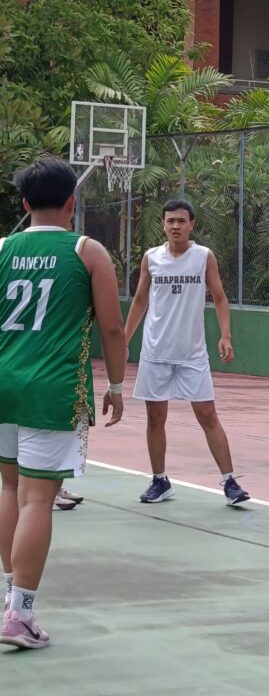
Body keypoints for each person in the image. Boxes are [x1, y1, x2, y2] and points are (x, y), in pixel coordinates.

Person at [0, 157, 125, 649]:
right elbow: (112, 328)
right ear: (73, 202)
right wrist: (117, 385)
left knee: (9, 489)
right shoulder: (87, 251)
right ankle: (19, 614)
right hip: (53, 390)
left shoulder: (2, 248)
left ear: (24, 203)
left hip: (3, 384)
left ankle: (9, 597)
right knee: (38, 499)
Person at [124, 199, 249, 507]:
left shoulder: (203, 256)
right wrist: (123, 340)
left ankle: (230, 482)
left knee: (207, 414)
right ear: (163, 224)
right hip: (156, 351)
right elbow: (140, 300)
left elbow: (219, 297)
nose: (175, 226)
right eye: (170, 221)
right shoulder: (151, 257)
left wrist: (226, 335)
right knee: (155, 417)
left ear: (192, 224)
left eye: (181, 221)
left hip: (192, 353)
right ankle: (160, 480)